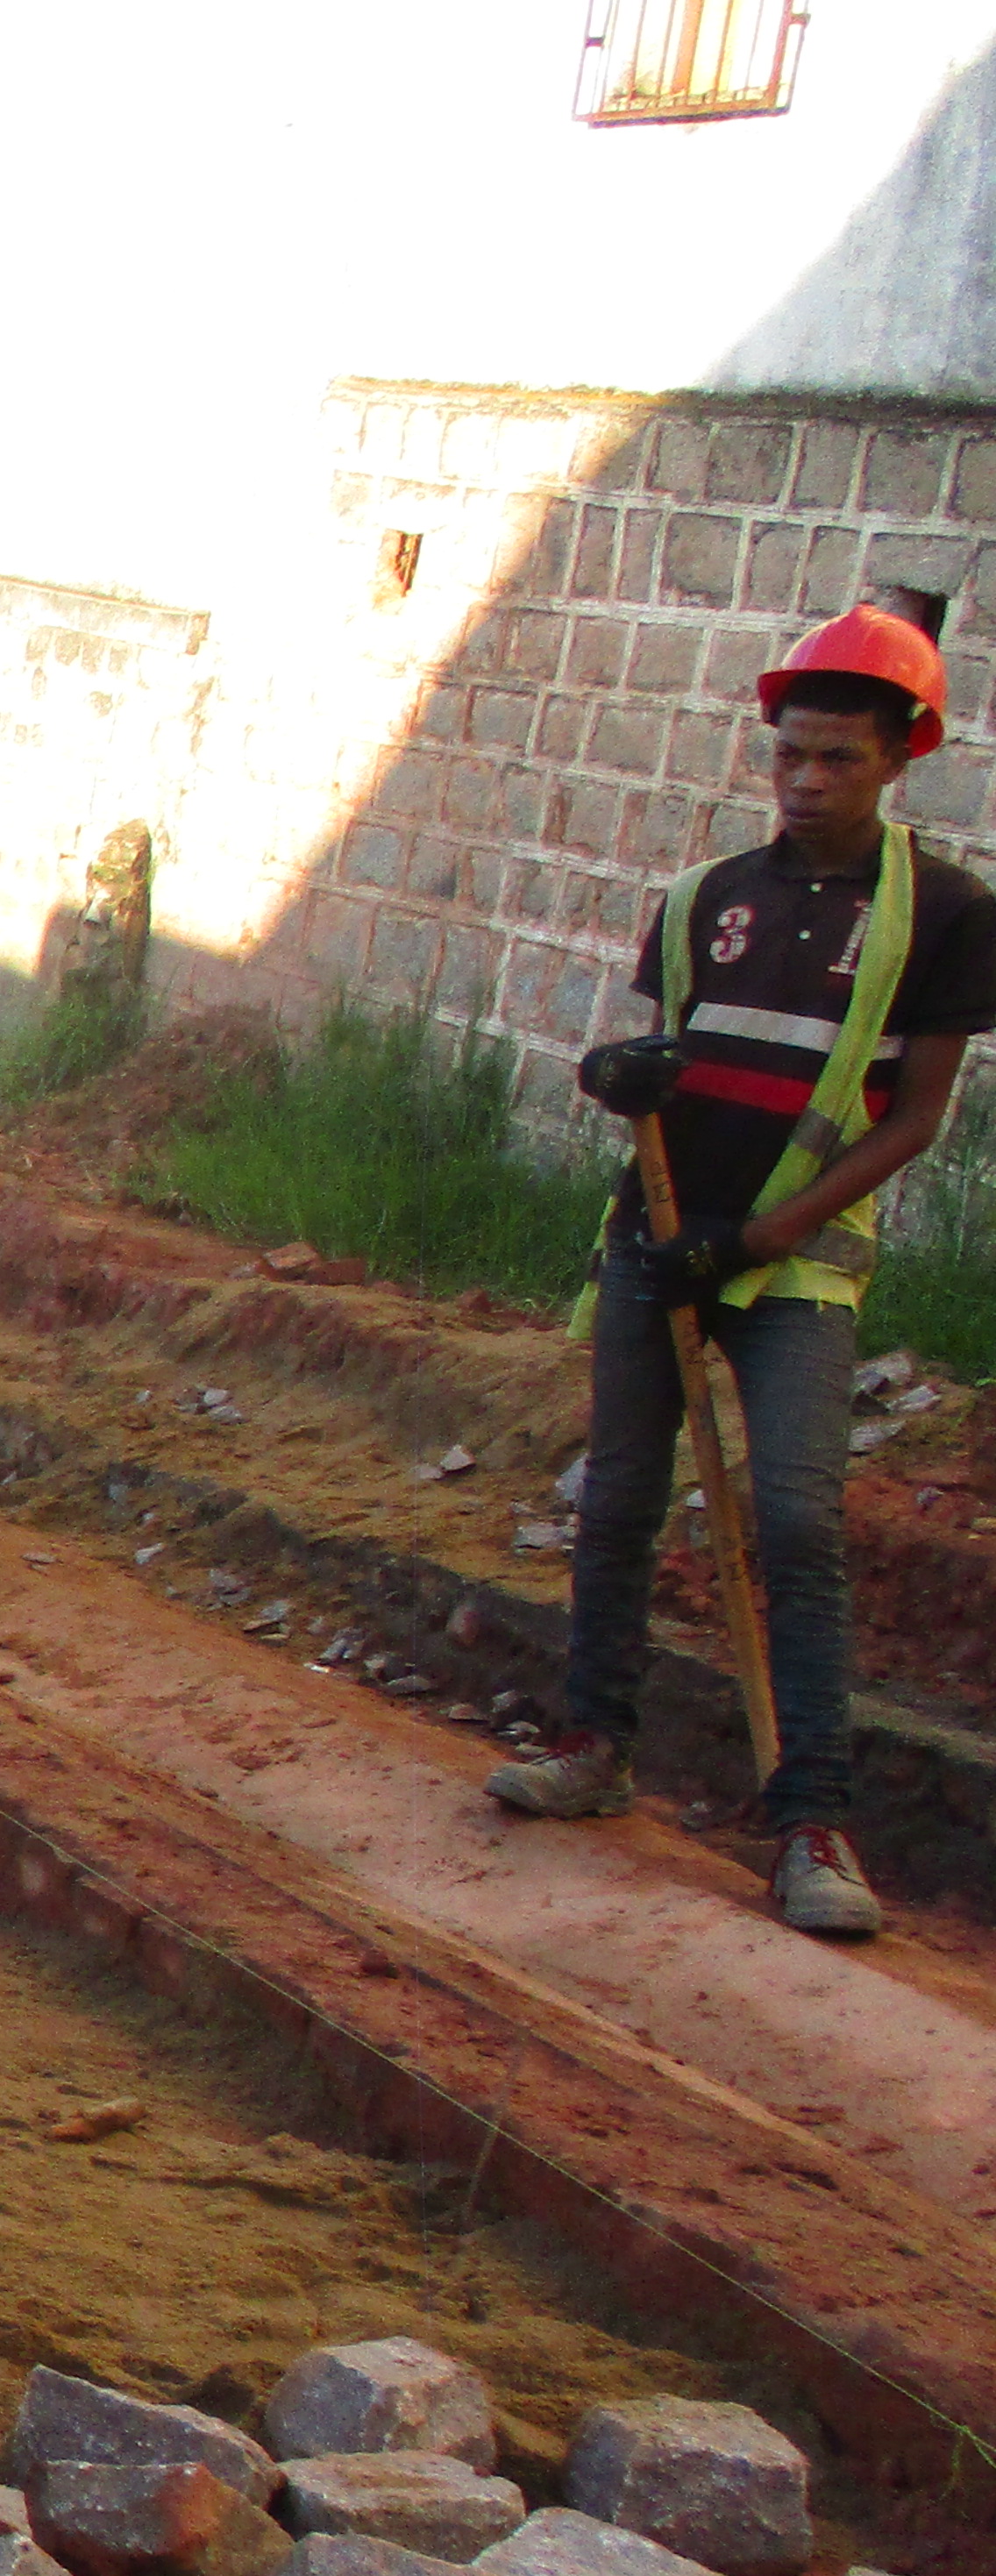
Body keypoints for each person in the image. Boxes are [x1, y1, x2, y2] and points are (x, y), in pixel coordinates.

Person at [487, 604, 993, 1942]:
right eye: (790, 756)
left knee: (800, 1527)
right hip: (656, 1236)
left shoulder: (941, 914)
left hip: (798, 1269)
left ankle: (813, 1820)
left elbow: (914, 1119)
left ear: (901, 761)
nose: (808, 782)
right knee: (620, 1501)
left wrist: (759, 1241)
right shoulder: (709, 893)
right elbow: (672, 1053)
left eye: (839, 759)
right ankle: (597, 1747)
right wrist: (621, 1083)